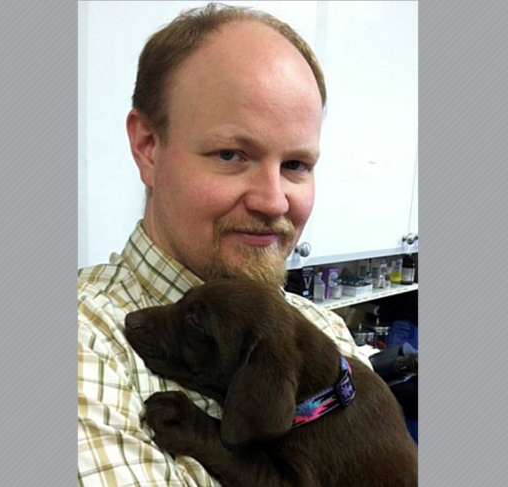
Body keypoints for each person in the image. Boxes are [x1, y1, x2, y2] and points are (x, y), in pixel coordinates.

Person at [78, 3, 369, 485]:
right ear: (148, 146)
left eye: (296, 165)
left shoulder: (324, 330)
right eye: (231, 154)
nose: (274, 201)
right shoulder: (88, 346)